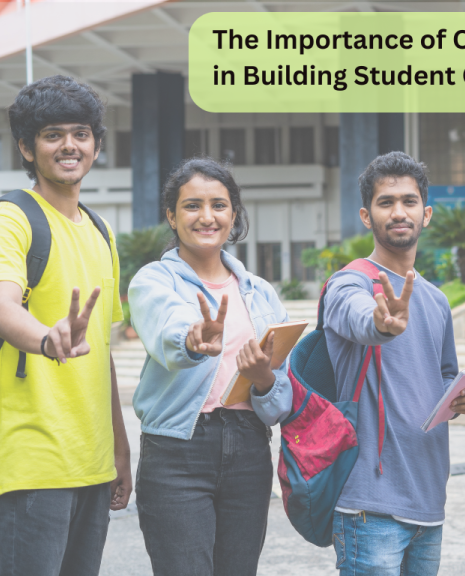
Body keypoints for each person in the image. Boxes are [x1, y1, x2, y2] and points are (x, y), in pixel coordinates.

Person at [261, 151, 465, 576]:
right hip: (368, 504)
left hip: (428, 502)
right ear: (367, 215)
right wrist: (383, 322)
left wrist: (463, 395)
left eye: (409, 201)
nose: (399, 211)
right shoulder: (351, 282)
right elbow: (360, 318)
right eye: (386, 202)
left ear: (427, 213)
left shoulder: (436, 301)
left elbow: (445, 376)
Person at [0, 75, 131, 576]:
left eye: (81, 133)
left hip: (91, 462)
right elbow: (0, 307)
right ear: (26, 146)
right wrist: (45, 338)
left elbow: (100, 351)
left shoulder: (101, 232)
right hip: (29, 460)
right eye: (52, 134)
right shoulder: (10, 219)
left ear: (97, 145)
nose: (69, 145)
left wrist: (120, 451)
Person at [126, 157, 292, 576]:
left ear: (234, 214)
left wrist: (263, 380)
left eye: (218, 205)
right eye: (191, 205)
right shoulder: (154, 281)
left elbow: (280, 398)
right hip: (177, 452)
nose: (206, 216)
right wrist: (193, 341)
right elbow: (168, 330)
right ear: (171, 215)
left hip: (250, 449)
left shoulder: (261, 293)